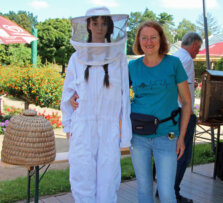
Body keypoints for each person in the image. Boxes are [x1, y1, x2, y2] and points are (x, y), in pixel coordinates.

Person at [60, 7, 132, 202]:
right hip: (82, 126)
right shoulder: (76, 58)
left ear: (109, 26)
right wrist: (68, 125)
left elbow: (125, 97)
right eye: (95, 23)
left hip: (110, 128)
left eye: (104, 23)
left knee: (108, 180)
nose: (99, 27)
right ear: (88, 26)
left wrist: (125, 133)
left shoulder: (119, 58)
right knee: (82, 177)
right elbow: (67, 94)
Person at [129, 21, 192, 203]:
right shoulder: (132, 67)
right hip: (138, 136)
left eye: (153, 37)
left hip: (167, 136)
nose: (149, 42)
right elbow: (115, 95)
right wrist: (78, 94)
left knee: (165, 192)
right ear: (139, 41)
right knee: (144, 188)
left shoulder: (174, 63)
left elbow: (187, 103)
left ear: (161, 39)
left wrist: (181, 137)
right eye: (144, 38)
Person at [173, 32, 202, 203]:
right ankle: (173, 192)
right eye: (198, 48)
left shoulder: (175, 56)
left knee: (171, 153)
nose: (198, 52)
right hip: (182, 113)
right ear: (193, 45)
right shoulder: (188, 60)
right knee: (183, 155)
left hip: (172, 113)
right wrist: (189, 111)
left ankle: (164, 189)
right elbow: (181, 92)